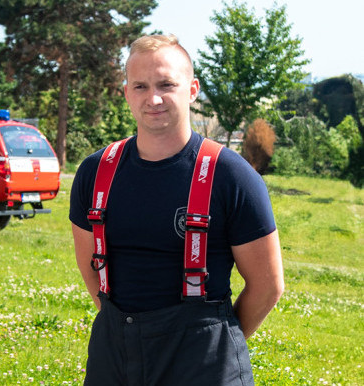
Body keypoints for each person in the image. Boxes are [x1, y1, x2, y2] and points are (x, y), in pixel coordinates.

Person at [69, 34, 284, 385]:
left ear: (192, 89)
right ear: (126, 93)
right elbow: (88, 265)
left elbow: (268, 285)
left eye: (166, 84)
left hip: (204, 364)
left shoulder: (231, 175)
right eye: (140, 86)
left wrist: (214, 345)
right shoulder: (96, 172)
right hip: (113, 357)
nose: (153, 98)